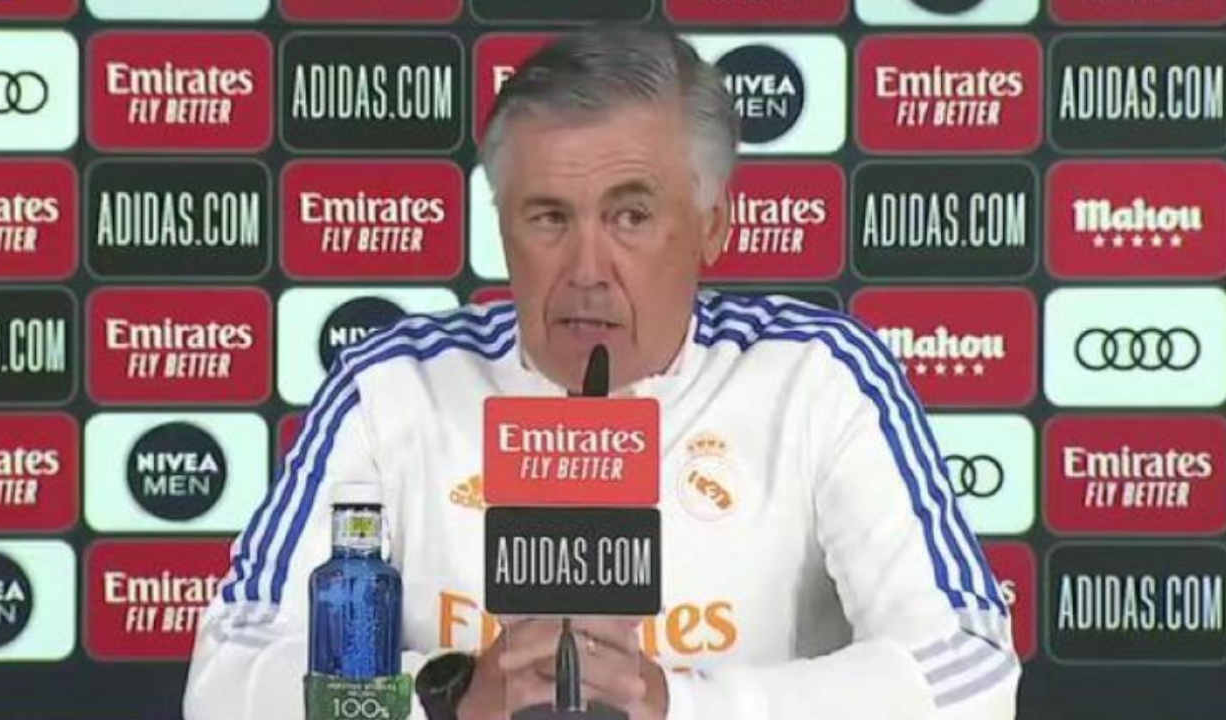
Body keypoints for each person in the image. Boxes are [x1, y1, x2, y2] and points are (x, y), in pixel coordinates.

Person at [184, 26, 1019, 720]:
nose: (587, 269)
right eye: (549, 217)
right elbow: (227, 674)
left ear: (712, 226)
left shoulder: (815, 375)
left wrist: (679, 705)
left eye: (630, 216)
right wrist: (445, 699)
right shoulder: (395, 384)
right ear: (502, 228)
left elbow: (971, 671)